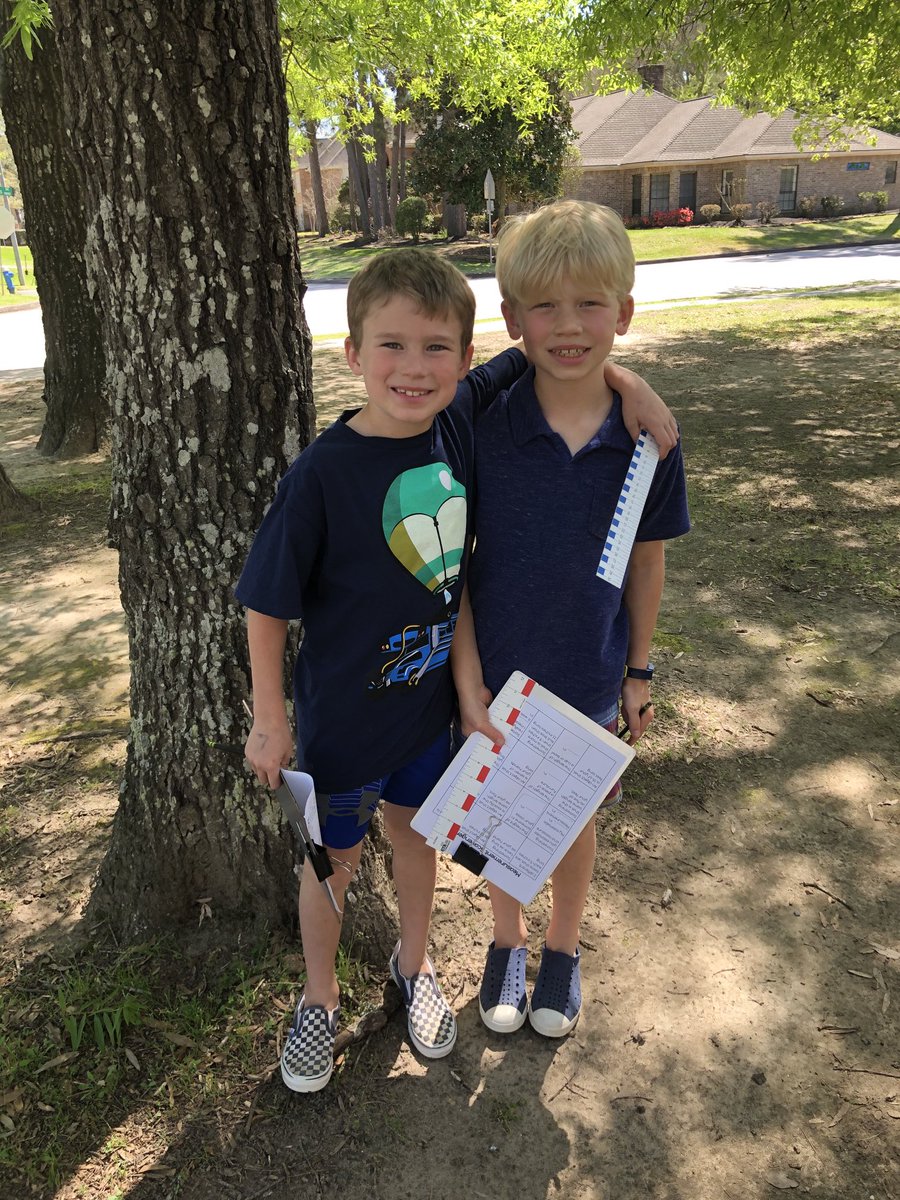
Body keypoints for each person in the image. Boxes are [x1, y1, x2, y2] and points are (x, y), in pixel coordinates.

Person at [236, 247, 675, 1093]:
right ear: (352, 354)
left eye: (437, 348)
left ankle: (415, 966)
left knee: (416, 841)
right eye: (391, 346)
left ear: (464, 362)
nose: (414, 367)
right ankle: (319, 1000)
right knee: (334, 860)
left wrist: (632, 385)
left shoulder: (457, 424)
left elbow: (548, 345)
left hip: (429, 716)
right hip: (342, 725)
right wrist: (268, 717)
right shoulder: (324, 474)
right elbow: (265, 604)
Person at [452, 200, 690, 1040]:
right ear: (512, 316)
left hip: (591, 668)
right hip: (501, 673)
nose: (568, 326)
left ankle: (562, 949)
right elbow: (457, 556)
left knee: (572, 819)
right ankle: (505, 942)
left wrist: (639, 671)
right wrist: (469, 674)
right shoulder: (484, 424)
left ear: (623, 312)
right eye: (543, 306)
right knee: (503, 812)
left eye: (590, 303)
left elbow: (648, 560)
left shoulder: (649, 443)